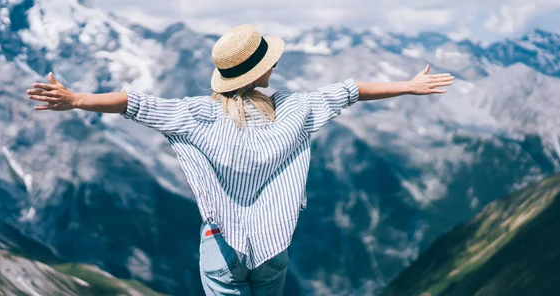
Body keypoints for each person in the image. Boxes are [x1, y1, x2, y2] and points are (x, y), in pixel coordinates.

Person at [26, 24, 454, 295]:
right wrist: (407, 86)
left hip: (221, 245)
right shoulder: (296, 109)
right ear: (261, 72)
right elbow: (352, 89)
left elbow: (133, 102)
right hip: (274, 244)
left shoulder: (195, 114)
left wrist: (78, 99)